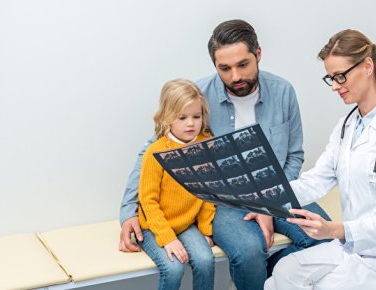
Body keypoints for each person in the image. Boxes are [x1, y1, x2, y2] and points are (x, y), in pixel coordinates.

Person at [119, 19, 331, 289]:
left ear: (258, 55)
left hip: (276, 189)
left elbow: (294, 155)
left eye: (243, 64)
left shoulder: (283, 91)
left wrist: (269, 202)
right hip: (224, 201)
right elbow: (153, 152)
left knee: (325, 239)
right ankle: (252, 278)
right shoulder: (199, 96)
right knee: (249, 253)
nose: (235, 76)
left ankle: (268, 278)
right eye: (224, 68)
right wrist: (128, 211)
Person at [265, 29, 376, 290]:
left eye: (340, 76)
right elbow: (316, 180)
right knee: (283, 272)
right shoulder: (347, 125)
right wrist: (268, 195)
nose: (336, 86)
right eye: (331, 78)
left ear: (367, 66)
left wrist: (333, 230)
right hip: (353, 249)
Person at [137, 79, 215, 290]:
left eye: (196, 117)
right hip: (154, 226)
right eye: (182, 118)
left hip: (185, 224)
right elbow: (148, 201)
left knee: (206, 261)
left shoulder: (206, 145)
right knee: (173, 269)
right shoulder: (156, 152)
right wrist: (167, 238)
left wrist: (206, 231)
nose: (191, 123)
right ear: (167, 118)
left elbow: (208, 193)